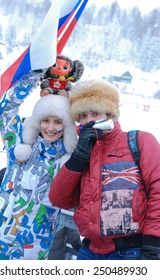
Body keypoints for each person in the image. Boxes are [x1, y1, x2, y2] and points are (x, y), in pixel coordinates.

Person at [49, 79, 160, 260]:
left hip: (131, 252)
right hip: (90, 251)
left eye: (95, 113)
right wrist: (78, 158)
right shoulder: (83, 153)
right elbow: (58, 199)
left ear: (110, 115)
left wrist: (154, 248)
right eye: (83, 116)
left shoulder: (140, 141)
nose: (89, 121)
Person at [0, 70, 77, 260]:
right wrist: (33, 76)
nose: (50, 128)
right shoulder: (18, 145)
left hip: (33, 252)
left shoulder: (70, 159)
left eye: (58, 122)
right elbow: (4, 110)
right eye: (45, 120)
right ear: (37, 120)